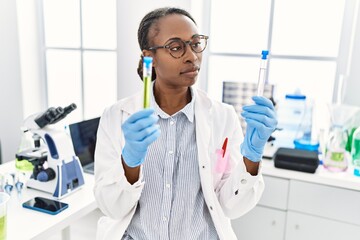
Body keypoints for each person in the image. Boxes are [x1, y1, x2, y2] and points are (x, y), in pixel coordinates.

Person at [94, 7, 277, 240]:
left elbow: (232, 206)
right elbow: (111, 207)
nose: (192, 56)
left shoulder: (222, 116)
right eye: (176, 47)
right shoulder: (115, 116)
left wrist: (252, 156)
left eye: (195, 44)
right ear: (149, 56)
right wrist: (129, 164)